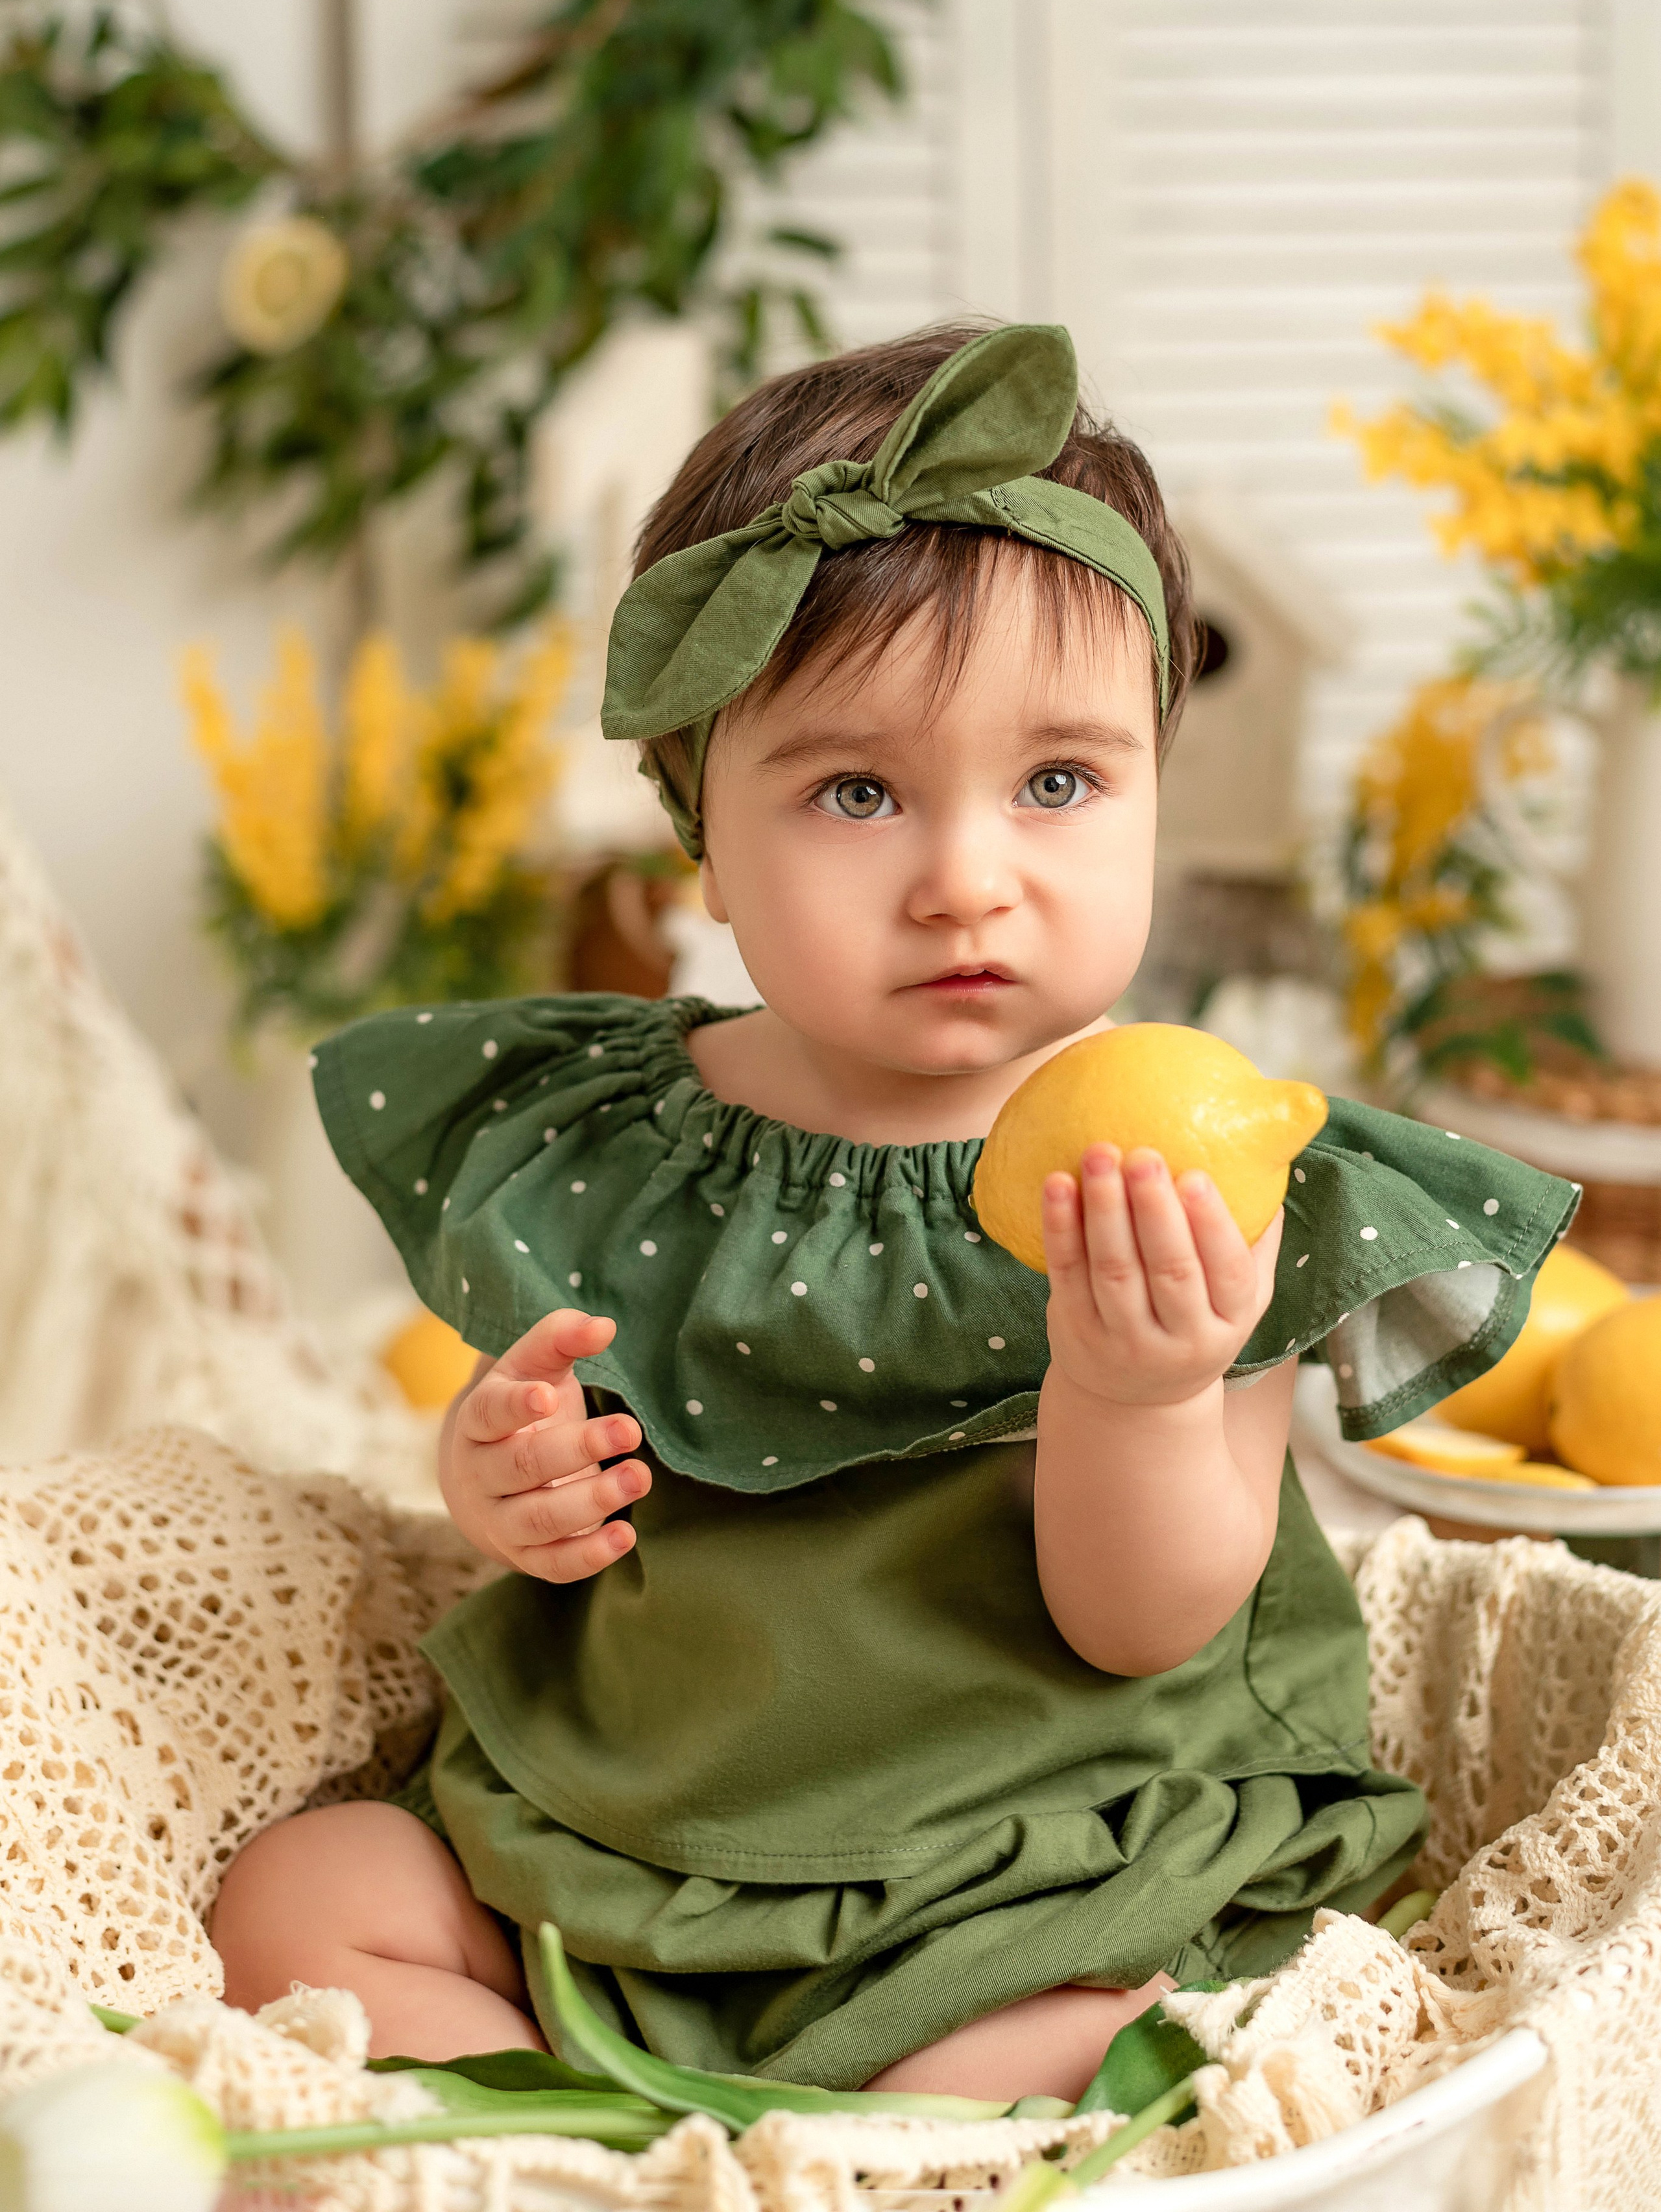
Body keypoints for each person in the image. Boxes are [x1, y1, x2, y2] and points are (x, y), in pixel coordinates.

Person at [212, 324, 1575, 2105]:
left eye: (1060, 783)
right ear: (703, 831)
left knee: (1057, 2046)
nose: (965, 878)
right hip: (645, 1810)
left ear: (1156, 790)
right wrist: (508, 1474)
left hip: (1031, 1851)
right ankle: (601, 2140)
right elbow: (555, 1456)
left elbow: (1148, 1619)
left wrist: (1143, 1388)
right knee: (297, 1898)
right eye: (858, 791)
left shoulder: (1194, 1163)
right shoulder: (621, 1130)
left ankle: (817, 2123)